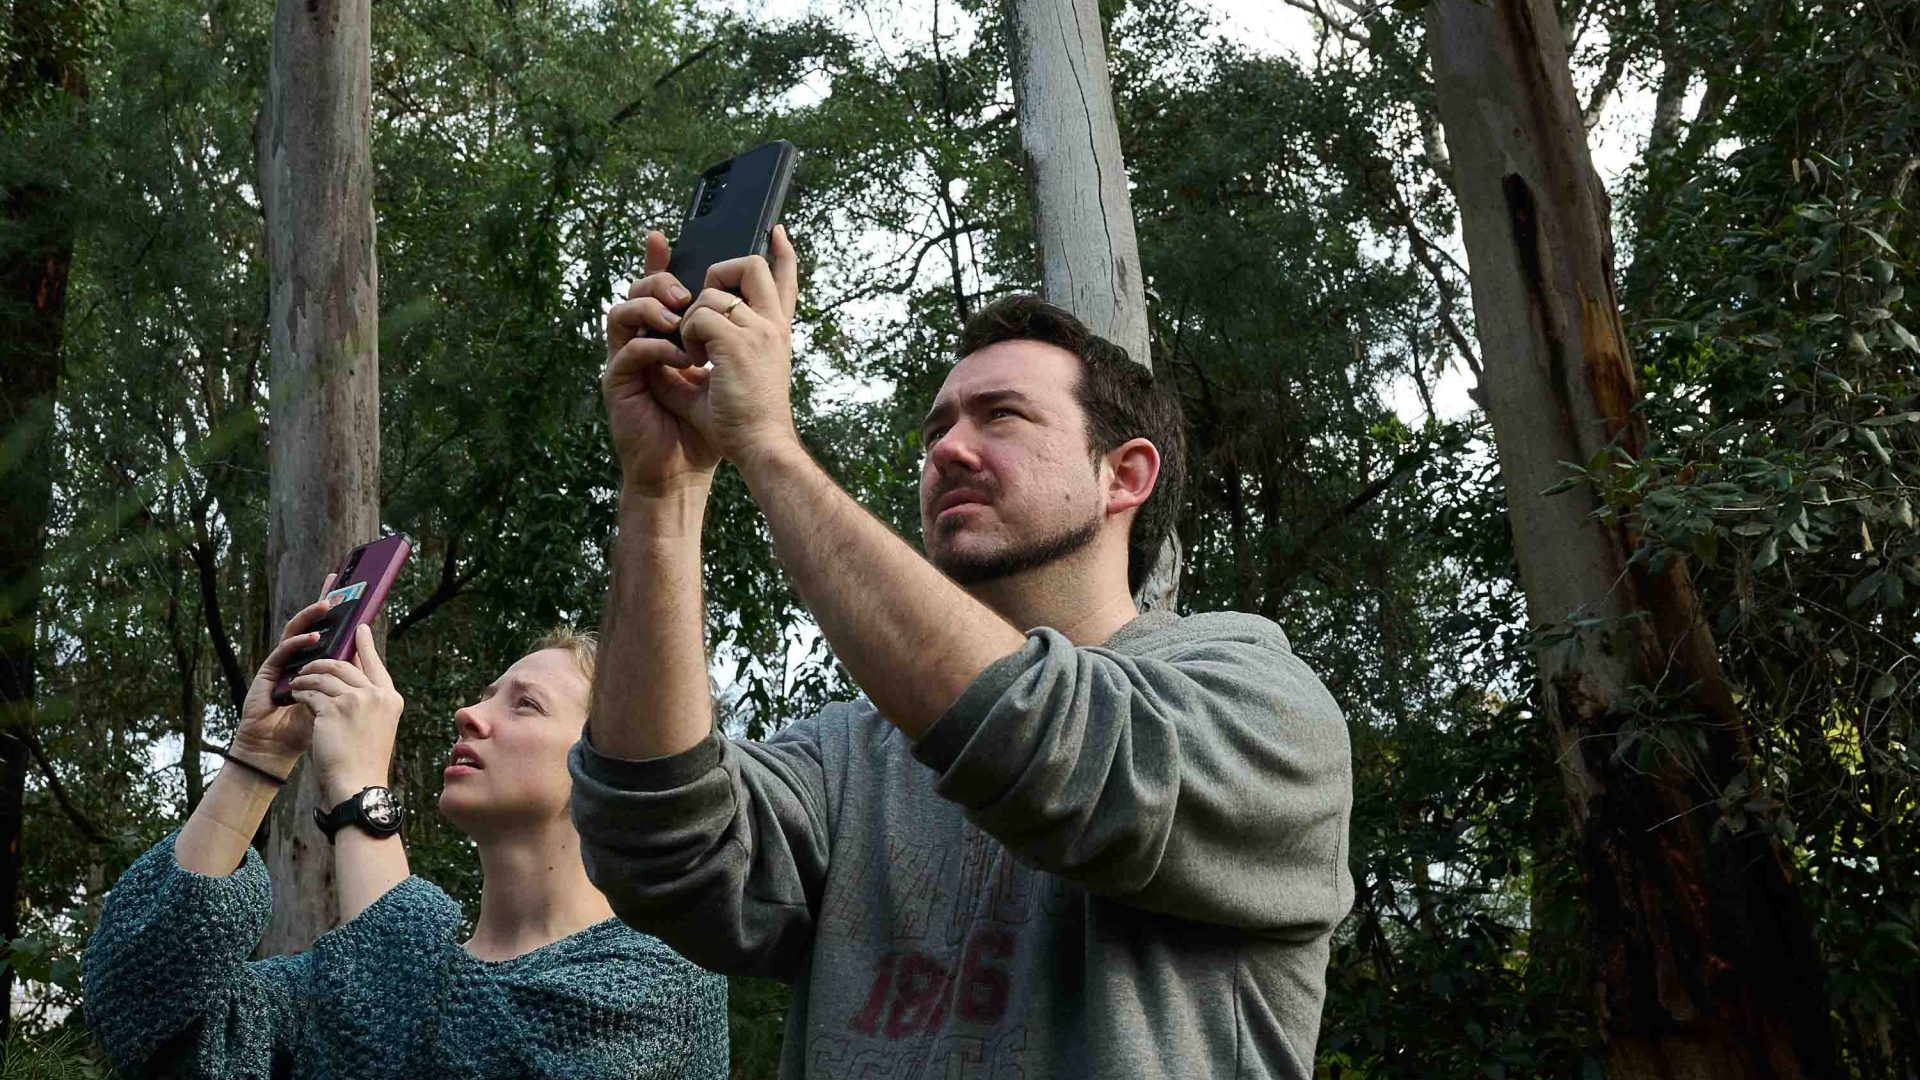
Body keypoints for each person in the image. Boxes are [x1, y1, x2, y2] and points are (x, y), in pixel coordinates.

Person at [569, 227, 1352, 1079]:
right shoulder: (849, 753)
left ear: (1123, 475)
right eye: (936, 428)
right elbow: (659, 845)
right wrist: (663, 491)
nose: (946, 449)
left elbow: (1048, 742)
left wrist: (767, 443)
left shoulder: (1259, 698)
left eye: (1002, 416)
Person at [82, 584, 728, 1079]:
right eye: (484, 694)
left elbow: (447, 1044)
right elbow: (142, 1014)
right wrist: (257, 760)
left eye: (524, 703)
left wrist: (363, 796)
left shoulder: (667, 976)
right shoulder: (346, 981)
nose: (468, 713)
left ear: (613, 765)